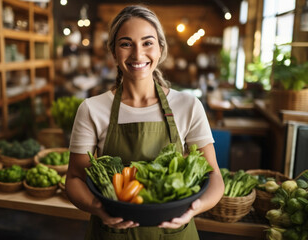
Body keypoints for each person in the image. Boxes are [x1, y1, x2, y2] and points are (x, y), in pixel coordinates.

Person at [65, 5, 224, 240]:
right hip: (111, 232)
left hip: (174, 232)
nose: (138, 55)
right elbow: (75, 179)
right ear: (113, 51)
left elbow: (214, 178)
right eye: (126, 43)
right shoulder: (92, 109)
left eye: (148, 43)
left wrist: (193, 209)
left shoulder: (188, 106)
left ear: (160, 48)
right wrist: (98, 208)